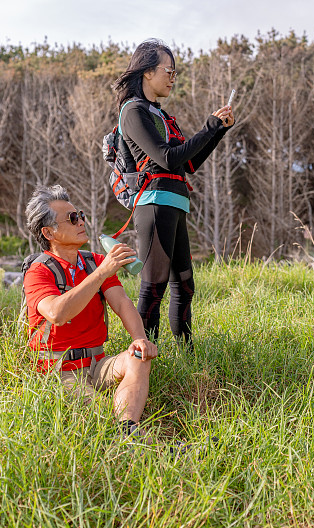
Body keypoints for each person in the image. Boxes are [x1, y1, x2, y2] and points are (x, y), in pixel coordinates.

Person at [111, 38, 234, 349]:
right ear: (148, 72)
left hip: (174, 203)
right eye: (170, 70)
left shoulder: (159, 113)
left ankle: (189, 356)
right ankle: (143, 362)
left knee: (185, 286)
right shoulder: (133, 112)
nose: (173, 77)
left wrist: (217, 129)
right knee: (154, 287)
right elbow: (166, 158)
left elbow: (188, 162)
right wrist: (208, 126)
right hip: (154, 203)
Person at [24, 184, 157, 437]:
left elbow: (121, 303)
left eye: (81, 215)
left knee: (138, 358)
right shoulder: (38, 272)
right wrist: (103, 271)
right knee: (100, 418)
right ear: (48, 232)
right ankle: (129, 441)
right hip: (59, 370)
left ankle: (129, 430)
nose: (81, 222)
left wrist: (139, 339)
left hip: (98, 362)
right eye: (72, 219)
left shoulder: (93, 262)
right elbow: (57, 314)